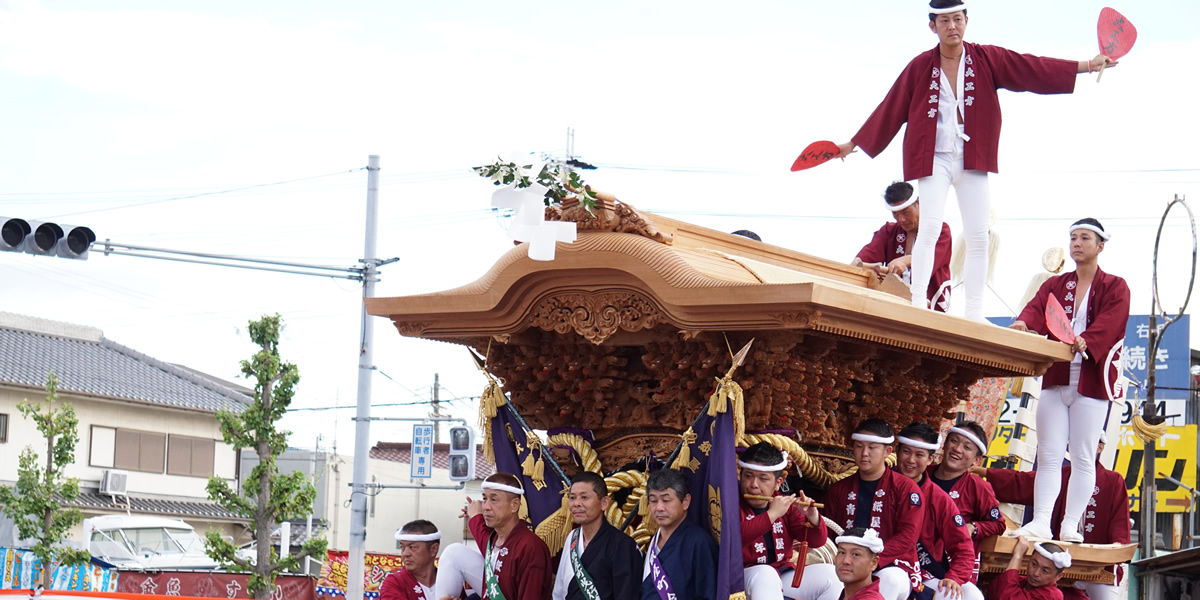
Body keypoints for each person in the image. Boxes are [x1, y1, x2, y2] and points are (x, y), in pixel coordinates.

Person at [833, 0, 1118, 321]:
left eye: (957, 19)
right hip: (933, 157)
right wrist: (852, 143)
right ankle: (916, 302)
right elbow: (892, 105)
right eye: (944, 21)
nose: (952, 26)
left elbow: (1031, 68)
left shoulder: (985, 58)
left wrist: (1088, 65)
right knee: (929, 227)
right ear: (933, 27)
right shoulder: (919, 66)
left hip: (972, 155)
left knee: (979, 233)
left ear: (966, 21)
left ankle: (974, 311)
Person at [1008, 218, 1130, 542]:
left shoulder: (1115, 286)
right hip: (1057, 377)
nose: (1076, 243)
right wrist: (1023, 323)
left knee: (1082, 456)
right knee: (1048, 454)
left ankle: (1070, 524)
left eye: (1084, 238)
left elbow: (1112, 321)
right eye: (1073, 237)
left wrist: (1088, 340)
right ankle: (1042, 520)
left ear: (1100, 246)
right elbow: (1036, 309)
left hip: (1091, 383)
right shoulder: (1056, 285)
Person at [973, 433, 1130, 600]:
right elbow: (1021, 482)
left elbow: (1119, 523)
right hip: (1054, 563)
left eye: (1088, 443)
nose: (1081, 447)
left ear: (1100, 447)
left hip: (1097, 566)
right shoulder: (1058, 475)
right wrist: (981, 471)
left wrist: (1117, 548)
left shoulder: (1113, 481)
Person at [823, 419, 924, 600]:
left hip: (893, 564)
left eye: (872, 447)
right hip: (848, 562)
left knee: (888, 580)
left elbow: (908, 536)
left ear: (888, 451)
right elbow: (830, 534)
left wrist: (869, 561)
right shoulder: (839, 489)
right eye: (859, 446)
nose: (864, 453)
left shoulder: (905, 488)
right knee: (829, 578)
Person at [737, 441, 841, 600]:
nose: (753, 485)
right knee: (766, 574)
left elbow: (816, 541)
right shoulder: (730, 502)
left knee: (831, 577)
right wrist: (771, 515)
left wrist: (812, 517)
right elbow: (735, 538)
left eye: (763, 479)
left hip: (781, 573)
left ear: (778, 482)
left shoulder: (783, 503)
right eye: (748, 476)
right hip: (743, 576)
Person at [893, 422, 980, 600]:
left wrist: (954, 577)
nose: (910, 460)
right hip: (888, 566)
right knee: (892, 580)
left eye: (919, 455)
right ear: (896, 451)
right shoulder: (881, 486)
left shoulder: (939, 499)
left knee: (971, 595)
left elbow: (963, 548)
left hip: (925, 571)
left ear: (931, 459)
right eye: (906, 452)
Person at [435, 473, 552, 600]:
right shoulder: (495, 541)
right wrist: (475, 516)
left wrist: (475, 517)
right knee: (453, 552)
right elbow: (482, 534)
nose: (486, 507)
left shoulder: (530, 547)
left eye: (494, 499)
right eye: (484, 499)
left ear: (514, 505)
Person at [853, 181, 953, 311]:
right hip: (893, 306)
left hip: (932, 306)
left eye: (906, 212)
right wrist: (855, 263)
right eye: (895, 214)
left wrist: (905, 260)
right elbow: (864, 258)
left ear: (919, 204)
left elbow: (930, 259)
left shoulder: (940, 230)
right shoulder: (888, 231)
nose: (901, 219)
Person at [928, 421, 1006, 585]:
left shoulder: (978, 487)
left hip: (950, 566)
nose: (957, 449)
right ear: (945, 444)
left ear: (977, 461)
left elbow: (998, 524)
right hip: (915, 558)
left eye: (967, 447)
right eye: (954, 441)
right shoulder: (923, 474)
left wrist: (974, 527)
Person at [552, 472, 644, 600]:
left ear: (604, 503)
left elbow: (627, 594)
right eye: (572, 497)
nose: (576, 503)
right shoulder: (573, 538)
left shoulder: (623, 545)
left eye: (584, 497)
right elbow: (559, 591)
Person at [641, 468, 718, 600]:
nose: (659, 508)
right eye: (653, 501)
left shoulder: (699, 542)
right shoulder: (653, 541)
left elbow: (708, 593)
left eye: (666, 500)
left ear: (685, 502)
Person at [989, 537, 1069, 600]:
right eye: (1034, 564)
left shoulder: (1052, 595)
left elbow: (1005, 597)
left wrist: (1018, 556)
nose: (1035, 573)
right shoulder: (1021, 581)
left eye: (1045, 571)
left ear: (1059, 576)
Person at [383, 520, 445, 600]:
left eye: (412, 547)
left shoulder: (450, 582)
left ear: (433, 549)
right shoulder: (394, 583)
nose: (405, 554)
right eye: (403, 547)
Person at [832, 528, 886, 600]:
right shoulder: (847, 595)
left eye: (855, 554)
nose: (845, 561)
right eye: (842, 552)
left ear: (873, 563)